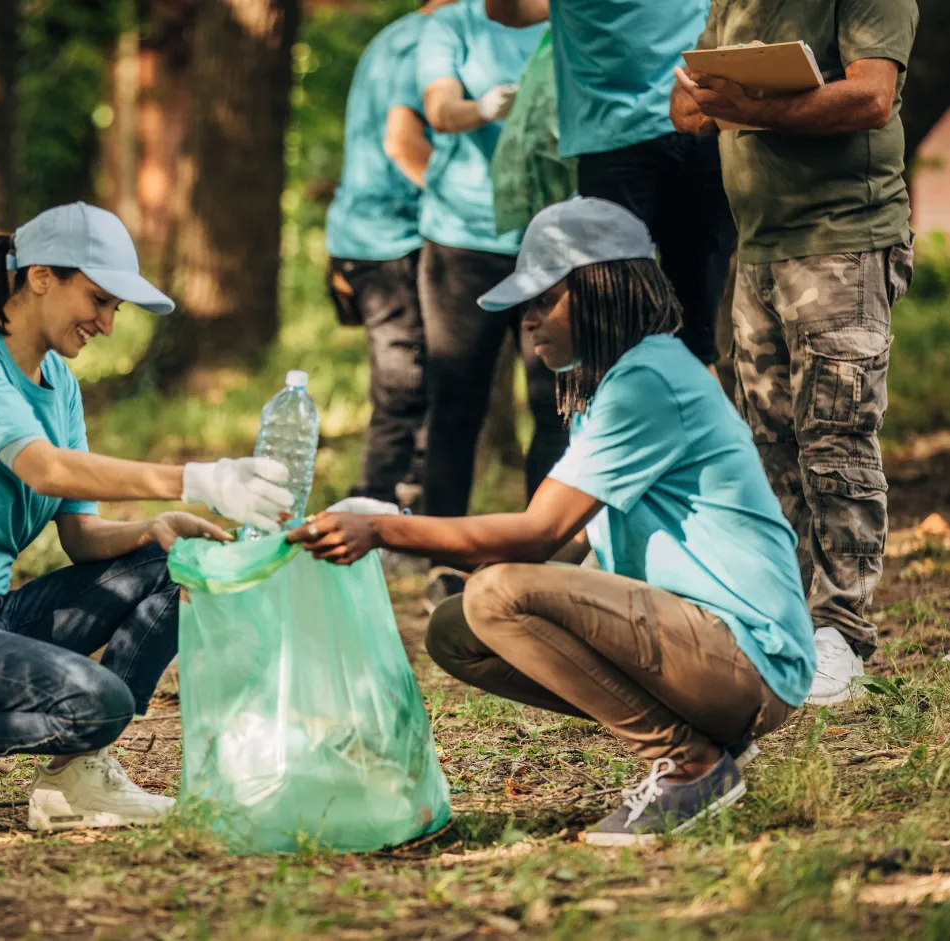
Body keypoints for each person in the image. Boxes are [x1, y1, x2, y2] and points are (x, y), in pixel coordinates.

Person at [289, 198, 814, 846]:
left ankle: (688, 764)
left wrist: (389, 527)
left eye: (543, 300)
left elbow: (538, 531)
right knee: (458, 628)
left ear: (599, 289)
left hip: (747, 658)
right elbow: (568, 543)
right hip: (705, 651)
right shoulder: (615, 386)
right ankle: (702, 740)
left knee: (497, 595)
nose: (527, 320)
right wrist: (436, 542)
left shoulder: (648, 376)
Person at [0, 202, 294, 834]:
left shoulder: (58, 382)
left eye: (115, 307)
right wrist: (196, 478)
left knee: (179, 564)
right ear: (40, 278)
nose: (108, 323)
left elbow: (81, 535)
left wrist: (155, 529)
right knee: (97, 700)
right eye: (99, 299)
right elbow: (47, 470)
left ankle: (73, 778)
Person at [672, 0, 918, 705]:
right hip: (759, 249)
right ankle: (786, 621)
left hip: (843, 239)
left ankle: (840, 631)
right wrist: (712, 96)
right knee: (769, 441)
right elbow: (685, 112)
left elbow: (871, 97)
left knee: (834, 438)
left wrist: (753, 106)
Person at [485, 0, 736, 374]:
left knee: (609, 332)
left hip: (629, 140)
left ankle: (644, 420)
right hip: (689, 129)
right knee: (693, 336)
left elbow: (508, 11)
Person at [414, 0, 564, 611]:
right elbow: (438, 109)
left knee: (555, 403)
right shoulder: (452, 23)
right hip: (463, 239)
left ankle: (541, 559)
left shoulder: (568, 17)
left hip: (552, 237)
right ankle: (442, 562)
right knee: (456, 402)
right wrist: (482, 108)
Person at [325, 0, 455, 510]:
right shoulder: (425, 43)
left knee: (419, 379)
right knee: (404, 385)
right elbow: (402, 144)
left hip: (366, 235)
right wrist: (465, 209)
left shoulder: (396, 35)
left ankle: (403, 506)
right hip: (386, 240)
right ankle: (371, 508)